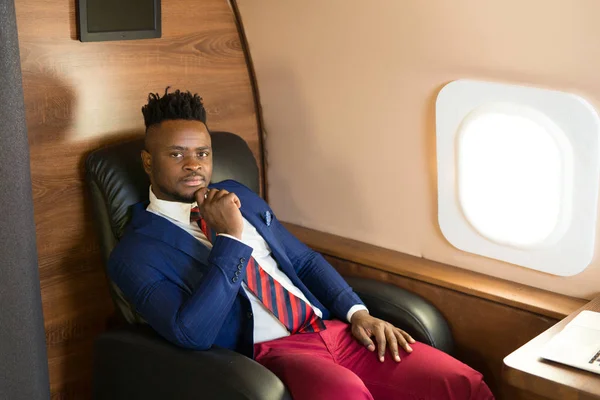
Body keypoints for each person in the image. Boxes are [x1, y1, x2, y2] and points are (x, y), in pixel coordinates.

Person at [108, 88, 495, 400]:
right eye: (177, 154)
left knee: (462, 382)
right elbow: (191, 333)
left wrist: (359, 313)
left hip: (336, 329)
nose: (194, 165)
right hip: (274, 351)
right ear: (147, 162)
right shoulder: (135, 252)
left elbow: (304, 262)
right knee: (343, 394)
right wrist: (228, 237)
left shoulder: (238, 194)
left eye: (202, 153)